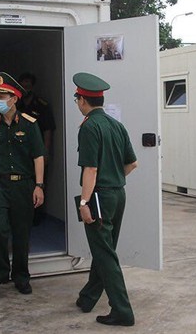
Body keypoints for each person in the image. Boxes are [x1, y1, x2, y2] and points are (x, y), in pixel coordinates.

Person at [73, 72, 138, 327]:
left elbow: (90, 170)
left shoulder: (90, 126)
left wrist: (84, 203)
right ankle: (88, 297)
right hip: (117, 194)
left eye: (77, 99)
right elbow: (132, 164)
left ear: (82, 100)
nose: (77, 103)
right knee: (104, 250)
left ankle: (122, 310)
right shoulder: (116, 125)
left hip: (99, 197)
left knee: (105, 254)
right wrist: (113, 179)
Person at [0, 72, 45, 294]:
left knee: (21, 232)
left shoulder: (30, 124)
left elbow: (38, 156)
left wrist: (39, 186)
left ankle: (21, 276)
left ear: (14, 99)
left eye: (3, 96)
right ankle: (0, 271)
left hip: (23, 186)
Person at [17, 72, 56, 225]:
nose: (26, 87)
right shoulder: (15, 104)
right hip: (20, 153)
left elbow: (48, 130)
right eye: (23, 84)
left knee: (38, 184)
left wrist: (45, 152)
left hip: (37, 152)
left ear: (32, 86)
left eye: (28, 84)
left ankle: (36, 217)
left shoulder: (41, 105)